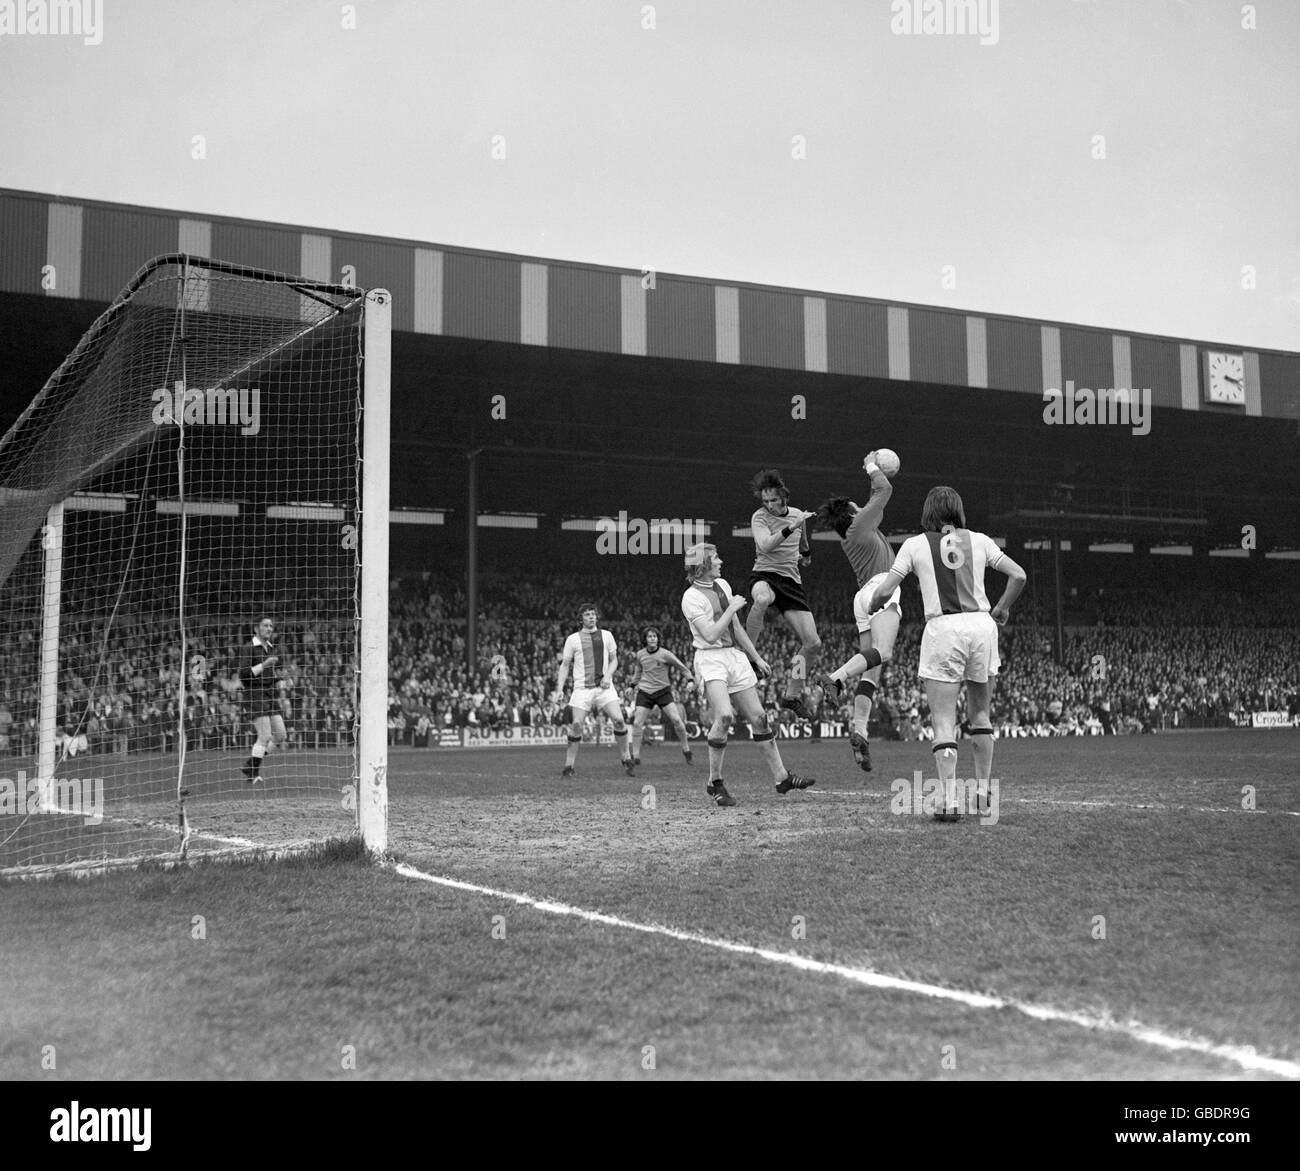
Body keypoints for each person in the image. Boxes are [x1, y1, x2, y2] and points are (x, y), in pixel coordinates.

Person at [867, 487, 1026, 821]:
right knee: (981, 715)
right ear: (958, 511)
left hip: (944, 629)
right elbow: (1018, 575)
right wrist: (1000, 608)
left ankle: (949, 801)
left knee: (943, 720)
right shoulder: (980, 540)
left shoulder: (915, 544)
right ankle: (983, 796)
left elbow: (885, 589)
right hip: (982, 627)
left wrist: (872, 605)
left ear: (928, 513)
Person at [682, 542, 814, 807]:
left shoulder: (724, 585)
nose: (720, 561)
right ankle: (715, 781)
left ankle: (782, 778)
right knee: (725, 716)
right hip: (710, 659)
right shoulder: (690, 597)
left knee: (760, 718)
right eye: (715, 558)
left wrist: (755, 656)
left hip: (733, 656)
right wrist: (732, 608)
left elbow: (736, 627)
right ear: (703, 565)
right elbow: (709, 635)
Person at [815, 452, 901, 772]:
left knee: (872, 669)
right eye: (857, 506)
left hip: (863, 597)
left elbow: (875, 500)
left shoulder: (851, 535)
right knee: (885, 651)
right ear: (852, 512)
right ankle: (835, 678)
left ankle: (860, 730)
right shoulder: (859, 523)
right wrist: (870, 465)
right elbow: (884, 491)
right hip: (881, 588)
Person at [745, 469, 821, 719]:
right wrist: (790, 527)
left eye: (773, 500)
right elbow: (765, 544)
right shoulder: (759, 517)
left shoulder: (799, 515)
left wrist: (806, 554)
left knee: (812, 643)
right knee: (762, 599)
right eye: (765, 501)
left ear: (783, 497)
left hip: (791, 582)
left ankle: (792, 695)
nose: (769, 505)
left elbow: (803, 539)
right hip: (764, 575)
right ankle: (751, 658)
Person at [553, 603, 635, 777]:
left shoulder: (607, 636)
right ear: (581, 618)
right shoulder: (573, 639)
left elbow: (614, 660)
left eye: (593, 614)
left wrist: (607, 676)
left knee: (619, 720)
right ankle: (569, 766)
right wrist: (559, 689)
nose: (591, 617)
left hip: (604, 687)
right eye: (587, 614)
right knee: (576, 725)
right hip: (582, 688)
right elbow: (565, 664)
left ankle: (626, 758)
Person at [627, 626, 694, 766]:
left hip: (663, 691)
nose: (652, 638)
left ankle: (686, 749)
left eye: (655, 636)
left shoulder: (665, 654)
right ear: (645, 639)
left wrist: (690, 680)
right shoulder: (640, 654)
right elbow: (638, 672)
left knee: (676, 720)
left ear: (658, 639)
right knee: (637, 723)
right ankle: (636, 756)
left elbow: (681, 667)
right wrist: (632, 686)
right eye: (650, 636)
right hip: (645, 692)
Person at [238, 616, 286, 784]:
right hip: (254, 694)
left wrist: (279, 679)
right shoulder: (249, 647)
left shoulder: (271, 648)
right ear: (256, 629)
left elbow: (268, 676)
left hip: (269, 694)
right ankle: (253, 774)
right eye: (265, 625)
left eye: (271, 626)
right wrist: (264, 665)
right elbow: (243, 676)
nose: (269, 628)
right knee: (264, 736)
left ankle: (251, 764)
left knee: (280, 735)